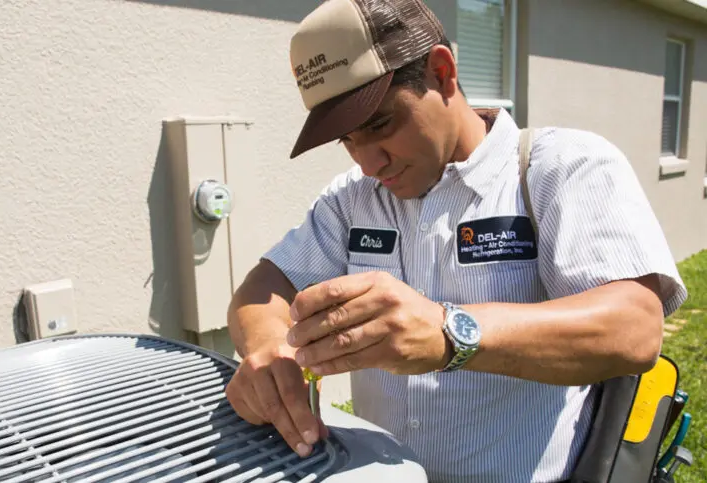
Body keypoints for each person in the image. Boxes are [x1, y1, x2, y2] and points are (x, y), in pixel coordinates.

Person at [224, 0, 688, 482]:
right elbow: (264, 287)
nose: (368, 163)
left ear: (442, 72)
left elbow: (634, 328)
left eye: (380, 125)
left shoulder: (559, 168)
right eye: (347, 140)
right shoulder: (352, 200)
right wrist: (270, 349)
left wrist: (451, 333)